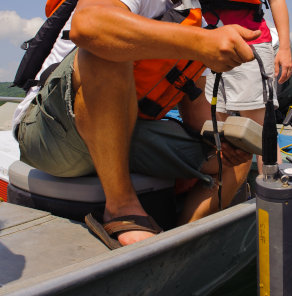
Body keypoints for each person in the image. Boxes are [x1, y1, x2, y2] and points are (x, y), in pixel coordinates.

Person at [12, 0, 261, 249]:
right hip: (52, 134)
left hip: (122, 133)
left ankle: (178, 249)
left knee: (234, 162)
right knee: (105, 43)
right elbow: (88, 25)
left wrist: (224, 140)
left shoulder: (199, 21)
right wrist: (200, 43)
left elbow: (197, 113)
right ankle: (121, 208)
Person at [200, 0, 292, 173]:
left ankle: (272, 190)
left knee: (260, 132)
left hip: (251, 45)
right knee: (222, 134)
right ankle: (235, 193)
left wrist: (285, 48)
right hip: (208, 47)